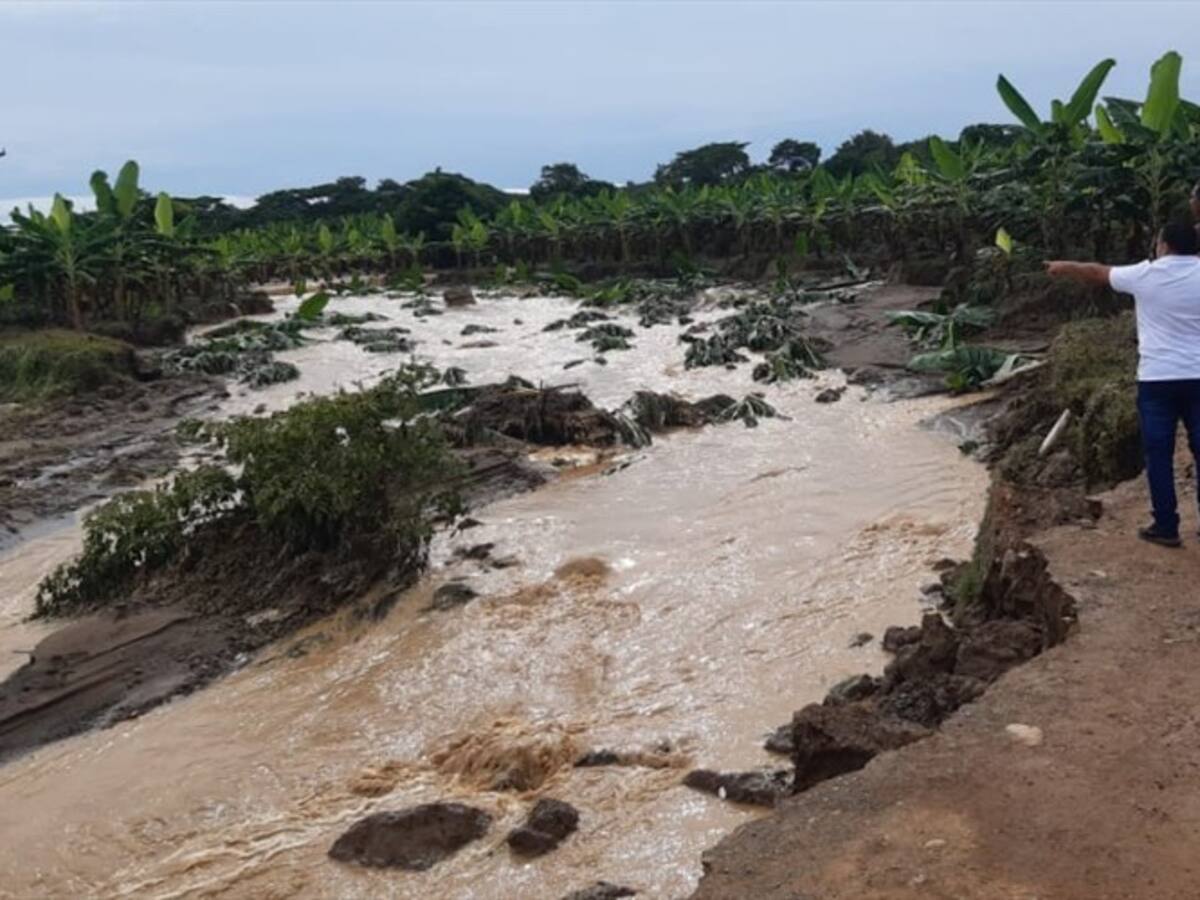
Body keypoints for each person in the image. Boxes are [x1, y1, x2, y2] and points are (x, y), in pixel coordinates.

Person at [1045, 221, 1200, 548]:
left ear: (1164, 245)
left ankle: (1166, 526)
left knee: (1159, 454)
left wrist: (1063, 267)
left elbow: (1098, 272)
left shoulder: (1146, 274)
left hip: (1157, 379)